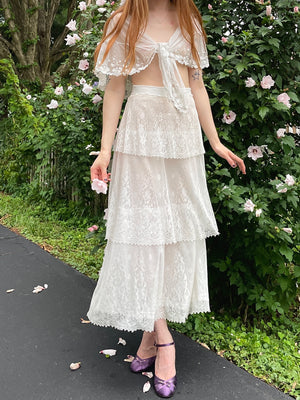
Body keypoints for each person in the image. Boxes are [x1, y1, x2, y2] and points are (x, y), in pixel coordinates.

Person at [87, 0, 246, 397]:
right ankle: (165, 341)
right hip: (140, 135)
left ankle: (147, 337)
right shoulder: (124, 19)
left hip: (182, 136)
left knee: (172, 235)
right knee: (144, 235)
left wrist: (216, 140)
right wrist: (104, 151)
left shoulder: (189, 19)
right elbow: (115, 88)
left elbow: (196, 84)